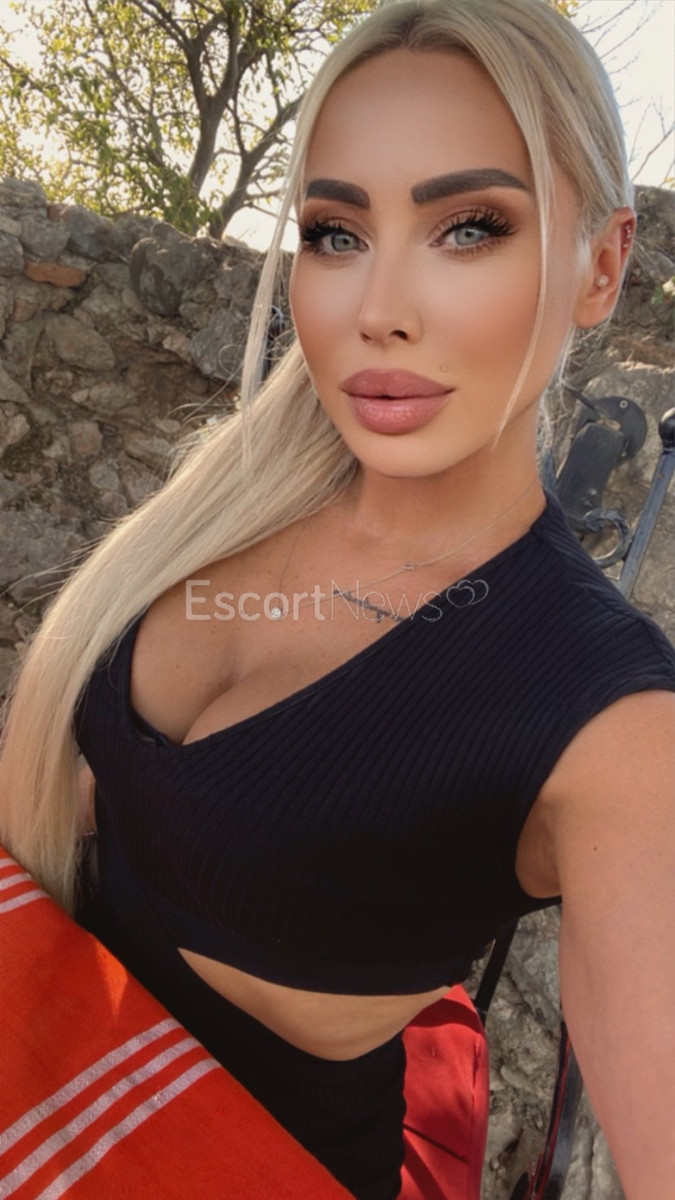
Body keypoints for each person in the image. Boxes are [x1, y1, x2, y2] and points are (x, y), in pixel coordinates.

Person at [1, 1, 674, 1197]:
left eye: (469, 228)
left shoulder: (615, 726)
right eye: (335, 232)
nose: (377, 310)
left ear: (602, 266)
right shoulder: (231, 503)